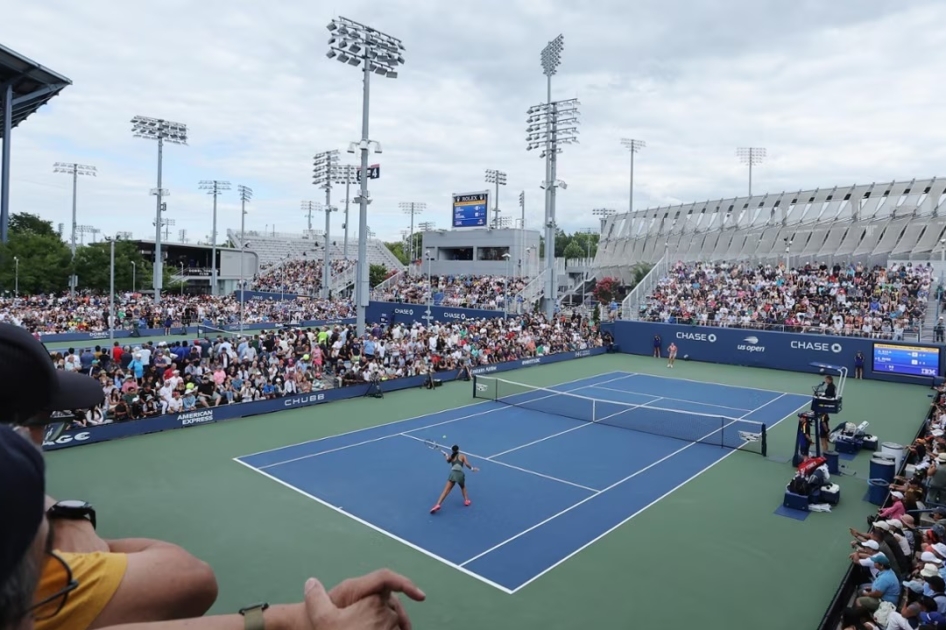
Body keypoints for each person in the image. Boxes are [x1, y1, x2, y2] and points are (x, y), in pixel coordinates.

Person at [430, 445, 479, 514]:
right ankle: (466, 501)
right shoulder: (462, 456)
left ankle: (438, 504)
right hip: (460, 475)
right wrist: (472, 469)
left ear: (452, 450)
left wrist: (446, 455)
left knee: (445, 491)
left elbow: (448, 461)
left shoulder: (451, 456)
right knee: (463, 487)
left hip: (453, 474)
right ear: (458, 450)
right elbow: (467, 464)